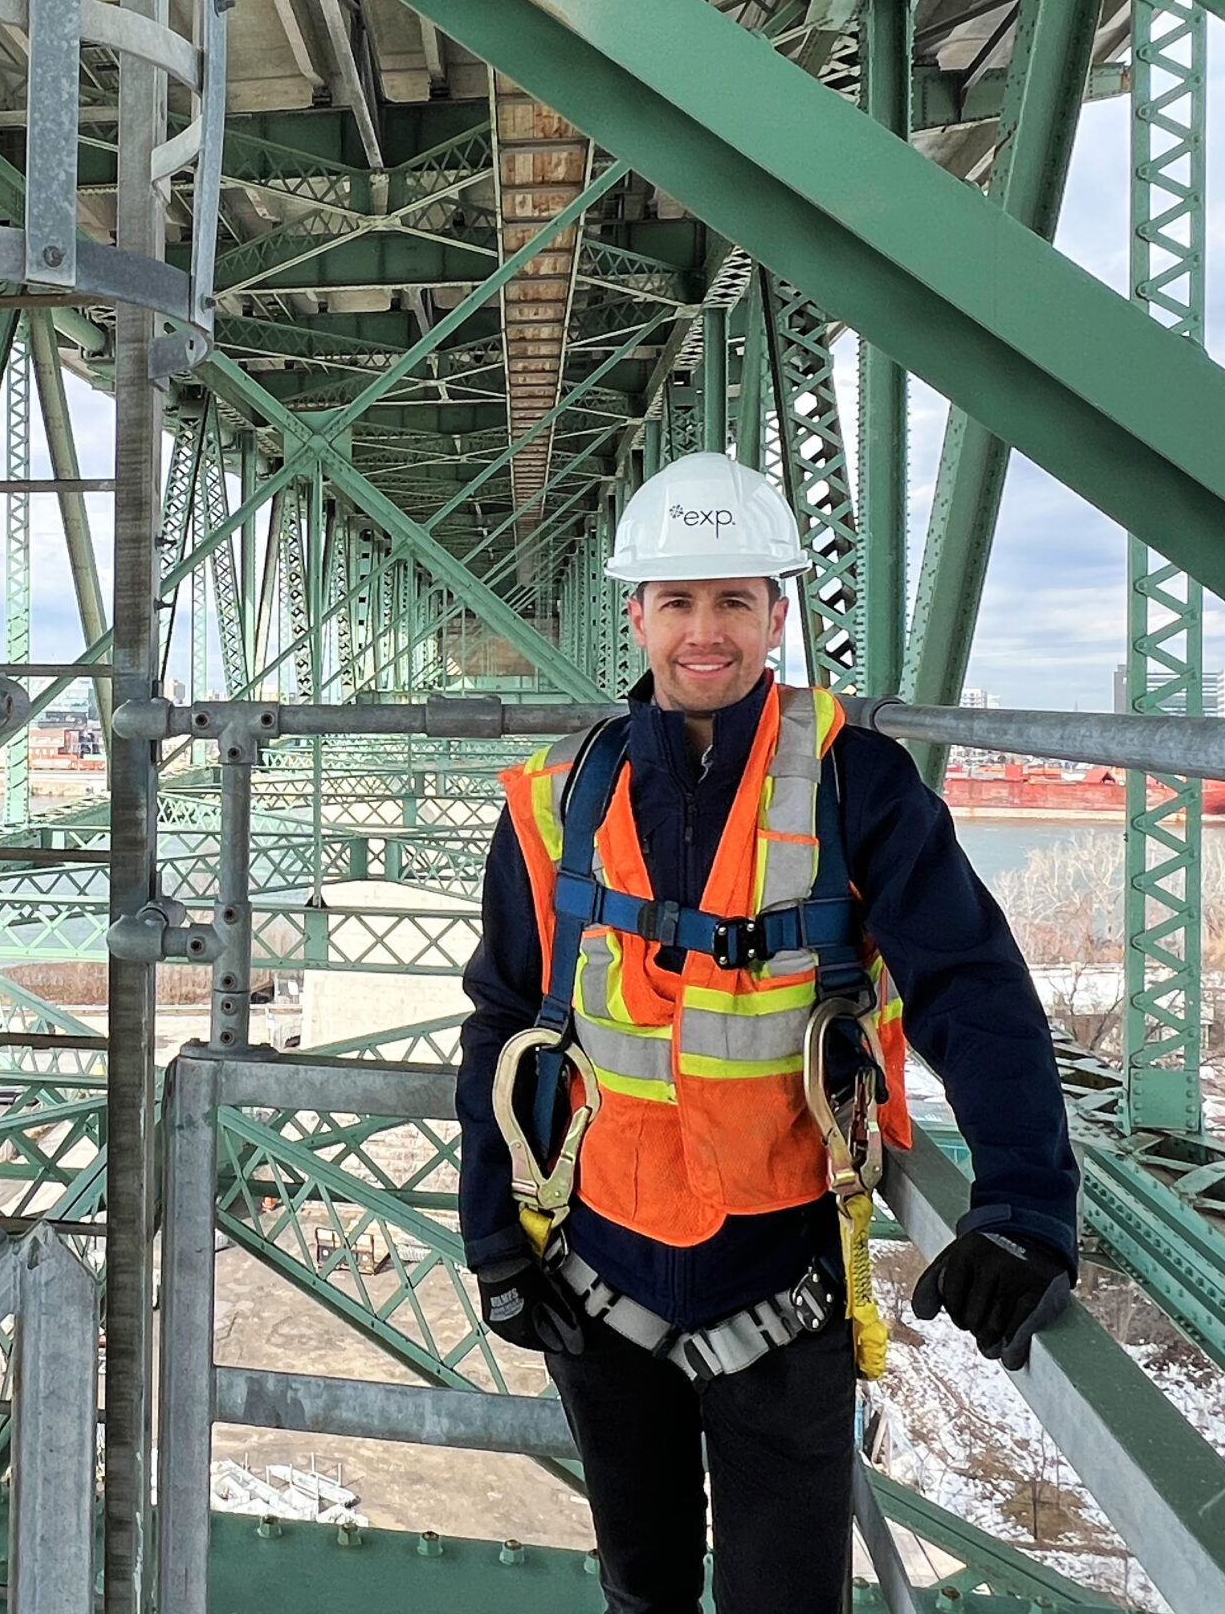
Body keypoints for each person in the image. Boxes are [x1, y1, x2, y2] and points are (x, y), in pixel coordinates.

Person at [457, 452, 1080, 1614]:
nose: (707, 633)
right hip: (597, 1278)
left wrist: (1025, 1202)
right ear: (634, 613)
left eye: (734, 600)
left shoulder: (856, 781)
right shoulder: (556, 798)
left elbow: (971, 988)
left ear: (777, 614)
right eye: (680, 602)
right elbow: (503, 1017)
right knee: (641, 1590)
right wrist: (494, 1233)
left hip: (782, 1293)